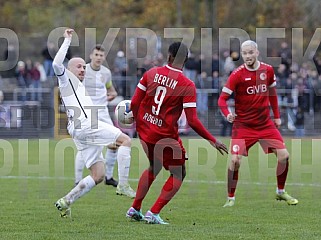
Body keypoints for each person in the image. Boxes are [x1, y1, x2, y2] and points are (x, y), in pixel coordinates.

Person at [126, 42, 228, 224]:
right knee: (179, 173)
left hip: (145, 132)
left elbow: (134, 103)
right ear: (186, 60)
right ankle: (153, 213)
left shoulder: (151, 73)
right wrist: (212, 140)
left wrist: (136, 120)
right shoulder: (186, 85)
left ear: (169, 56)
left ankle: (135, 208)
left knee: (154, 167)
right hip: (164, 136)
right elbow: (192, 121)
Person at [53, 29, 134, 218]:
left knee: (98, 174)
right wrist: (67, 40)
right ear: (70, 69)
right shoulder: (66, 79)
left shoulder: (79, 86)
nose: (82, 69)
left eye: (83, 67)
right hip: (86, 123)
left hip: (78, 130)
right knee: (126, 141)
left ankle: (66, 201)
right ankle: (122, 185)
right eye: (79, 67)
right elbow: (57, 63)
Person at [218, 40, 299, 207]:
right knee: (235, 161)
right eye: (244, 53)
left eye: (250, 52)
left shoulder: (267, 70)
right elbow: (221, 100)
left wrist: (276, 116)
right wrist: (227, 114)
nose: (247, 56)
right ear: (242, 55)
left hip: (265, 125)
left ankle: (280, 192)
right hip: (243, 126)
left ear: (257, 52)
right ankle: (231, 197)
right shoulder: (237, 74)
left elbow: (273, 94)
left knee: (284, 156)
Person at [74, 44, 135, 198]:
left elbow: (111, 90)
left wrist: (111, 96)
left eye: (101, 55)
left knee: (115, 144)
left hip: (103, 112)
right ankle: (77, 180)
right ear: (91, 56)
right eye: (97, 55)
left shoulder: (106, 73)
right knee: (86, 147)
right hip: (87, 114)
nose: (99, 58)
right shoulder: (83, 70)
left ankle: (108, 177)